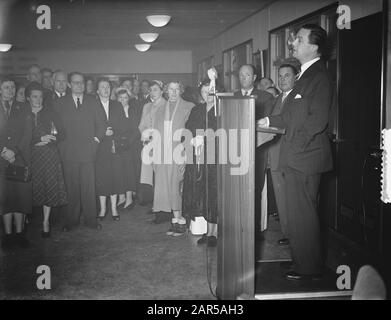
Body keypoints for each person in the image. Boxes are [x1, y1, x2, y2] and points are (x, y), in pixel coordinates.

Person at [259, 24, 334, 281]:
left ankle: (308, 268)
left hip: (305, 158)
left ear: (313, 46)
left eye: (299, 39)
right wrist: (267, 123)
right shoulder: (304, 75)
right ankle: (303, 262)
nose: (293, 42)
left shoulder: (318, 77)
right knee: (300, 215)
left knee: (304, 216)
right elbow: (290, 115)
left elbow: (317, 121)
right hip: (298, 156)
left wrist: (296, 150)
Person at [54, 71, 107, 231]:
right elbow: (55, 127)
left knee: (89, 188)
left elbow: (102, 125)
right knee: (71, 188)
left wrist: (95, 142)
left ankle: (91, 220)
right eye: (76, 82)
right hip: (68, 153)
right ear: (69, 85)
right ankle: (72, 221)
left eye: (82, 82)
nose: (79, 85)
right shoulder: (59, 103)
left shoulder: (93, 101)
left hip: (88, 153)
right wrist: (60, 146)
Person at [234, 64, 275, 239]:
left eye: (247, 75)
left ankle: (255, 230)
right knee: (237, 190)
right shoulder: (232, 96)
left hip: (257, 151)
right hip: (235, 151)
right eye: (241, 75)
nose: (244, 78)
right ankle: (238, 226)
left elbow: (267, 127)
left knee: (254, 190)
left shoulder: (265, 97)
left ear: (254, 77)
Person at [153, 81, 194, 236]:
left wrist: (185, 156)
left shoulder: (189, 107)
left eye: (177, 89)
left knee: (178, 187)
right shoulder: (160, 108)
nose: (174, 92)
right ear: (166, 91)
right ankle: (175, 220)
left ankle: (182, 220)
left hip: (179, 152)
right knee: (167, 188)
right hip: (163, 154)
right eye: (171, 89)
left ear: (181, 91)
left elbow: (190, 134)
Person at [27, 82, 67, 238]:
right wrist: (38, 139)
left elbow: (62, 133)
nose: (38, 99)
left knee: (48, 188)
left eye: (41, 96)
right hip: (30, 156)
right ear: (28, 98)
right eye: (35, 96)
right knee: (30, 188)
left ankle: (45, 222)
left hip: (49, 155)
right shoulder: (23, 114)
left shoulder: (50, 113)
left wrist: (50, 139)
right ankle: (25, 221)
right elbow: (20, 138)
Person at [183, 80, 218, 247]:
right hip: (197, 159)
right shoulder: (196, 110)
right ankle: (206, 231)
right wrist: (191, 140)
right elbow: (187, 130)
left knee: (213, 194)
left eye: (210, 91)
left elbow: (222, 133)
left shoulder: (221, 110)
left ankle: (214, 232)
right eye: (204, 92)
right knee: (202, 194)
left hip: (215, 160)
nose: (207, 94)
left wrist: (204, 138)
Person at [267, 64, 298, 247]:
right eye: (280, 76)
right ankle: (288, 233)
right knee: (281, 199)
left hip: (292, 157)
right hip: (276, 155)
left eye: (287, 75)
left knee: (294, 200)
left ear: (296, 77)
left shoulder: (298, 98)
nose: (283, 79)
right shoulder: (277, 98)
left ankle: (297, 235)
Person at [0, 77, 33, 249]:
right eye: (6, 87)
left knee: (20, 198)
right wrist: (4, 151)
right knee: (5, 198)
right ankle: (7, 235)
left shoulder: (23, 108)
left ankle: (19, 234)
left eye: (12, 87)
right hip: (1, 159)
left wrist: (15, 151)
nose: (10, 90)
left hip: (19, 158)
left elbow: (27, 133)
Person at [95, 78, 127, 221]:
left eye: (107, 87)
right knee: (102, 178)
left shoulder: (117, 105)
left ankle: (113, 208)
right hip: (99, 147)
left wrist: (113, 133)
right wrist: (102, 133)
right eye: (102, 87)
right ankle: (102, 209)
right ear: (97, 91)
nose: (106, 89)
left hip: (114, 146)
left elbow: (122, 126)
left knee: (114, 177)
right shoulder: (92, 105)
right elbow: (89, 126)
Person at [137, 80, 166, 213]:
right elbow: (142, 124)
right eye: (151, 89)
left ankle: (162, 207)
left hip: (161, 145)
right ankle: (155, 204)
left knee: (161, 177)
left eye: (156, 89)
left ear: (161, 91)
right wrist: (145, 133)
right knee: (151, 177)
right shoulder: (147, 106)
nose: (153, 92)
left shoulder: (166, 105)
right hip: (148, 144)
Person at [116, 88, 141, 209]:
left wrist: (127, 142)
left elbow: (137, 130)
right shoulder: (114, 111)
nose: (122, 100)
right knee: (119, 172)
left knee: (129, 172)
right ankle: (121, 197)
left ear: (128, 99)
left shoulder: (133, 110)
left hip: (131, 146)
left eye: (125, 98)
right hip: (118, 146)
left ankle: (129, 198)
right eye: (120, 98)